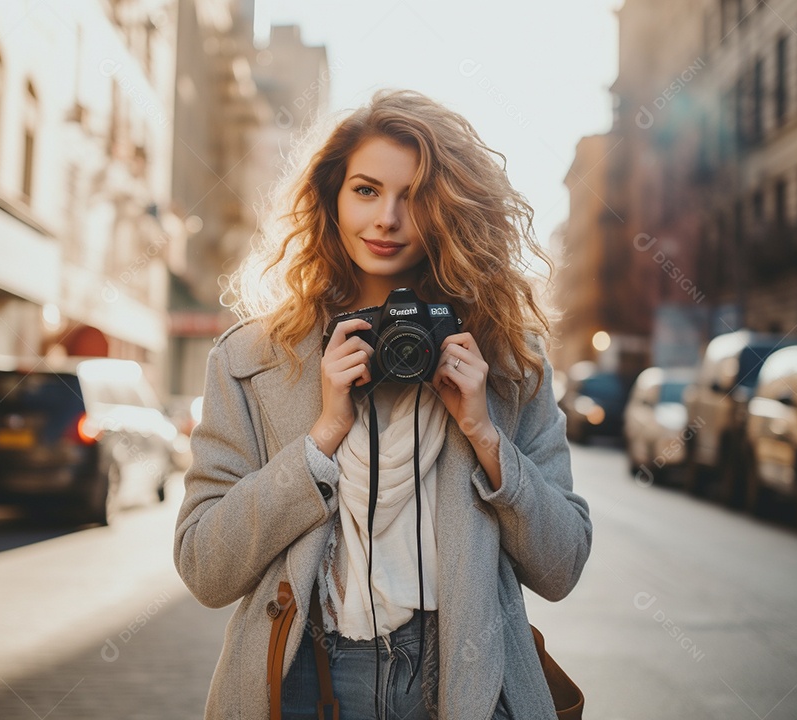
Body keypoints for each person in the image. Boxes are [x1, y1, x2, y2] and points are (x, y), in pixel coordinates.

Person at [174, 88, 592, 720]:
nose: (388, 219)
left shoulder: (507, 358)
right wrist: (320, 438)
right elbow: (205, 567)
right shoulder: (250, 359)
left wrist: (484, 435)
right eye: (366, 190)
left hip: (463, 675)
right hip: (307, 678)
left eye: (416, 196)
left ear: (449, 210)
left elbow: (560, 568)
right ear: (331, 198)